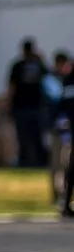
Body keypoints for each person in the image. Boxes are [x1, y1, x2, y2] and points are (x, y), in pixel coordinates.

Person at [7, 38, 51, 168]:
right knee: (33, 136)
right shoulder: (38, 65)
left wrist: (9, 104)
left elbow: (11, 87)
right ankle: (35, 161)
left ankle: (26, 161)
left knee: (25, 136)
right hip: (33, 106)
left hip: (26, 106)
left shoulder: (18, 65)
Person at [51, 50, 74, 218]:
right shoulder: (68, 80)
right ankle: (65, 203)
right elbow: (63, 106)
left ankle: (66, 203)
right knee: (69, 168)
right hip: (70, 129)